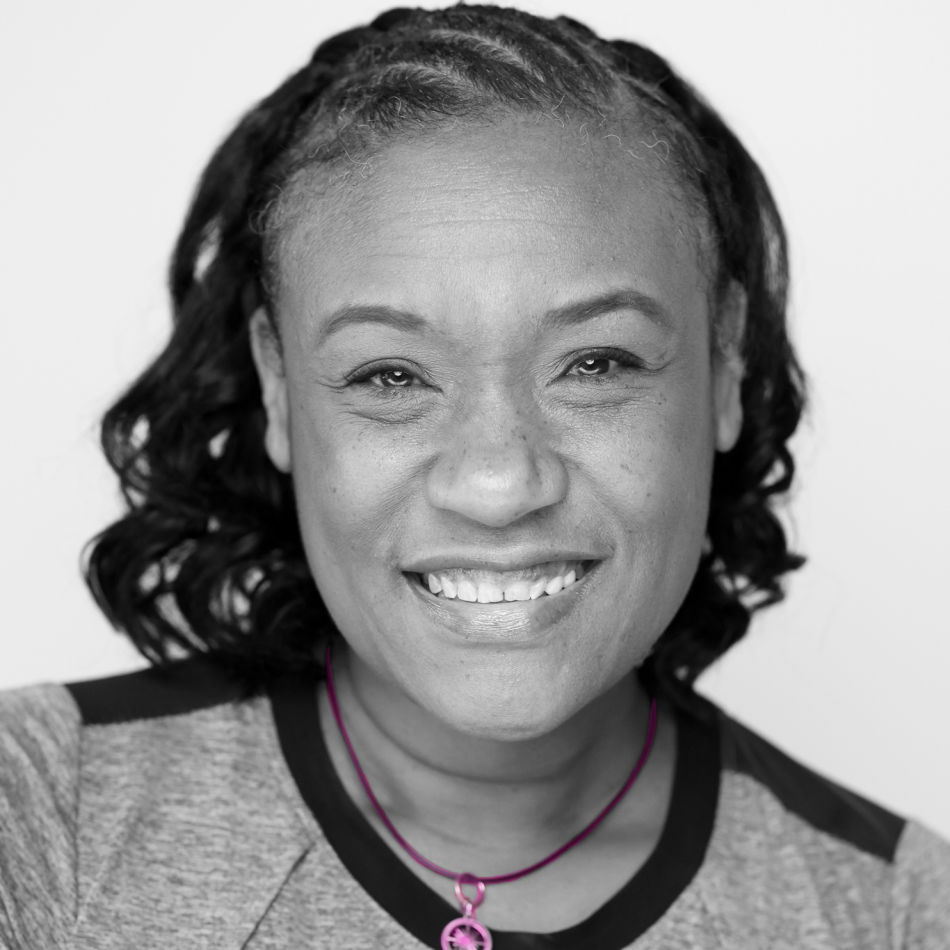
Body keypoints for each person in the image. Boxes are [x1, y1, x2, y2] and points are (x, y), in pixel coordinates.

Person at [1, 4, 947, 948]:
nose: (499, 485)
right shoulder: (42, 818)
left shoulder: (895, 915)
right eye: (390, 375)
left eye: (597, 363)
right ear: (278, 388)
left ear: (725, 362)